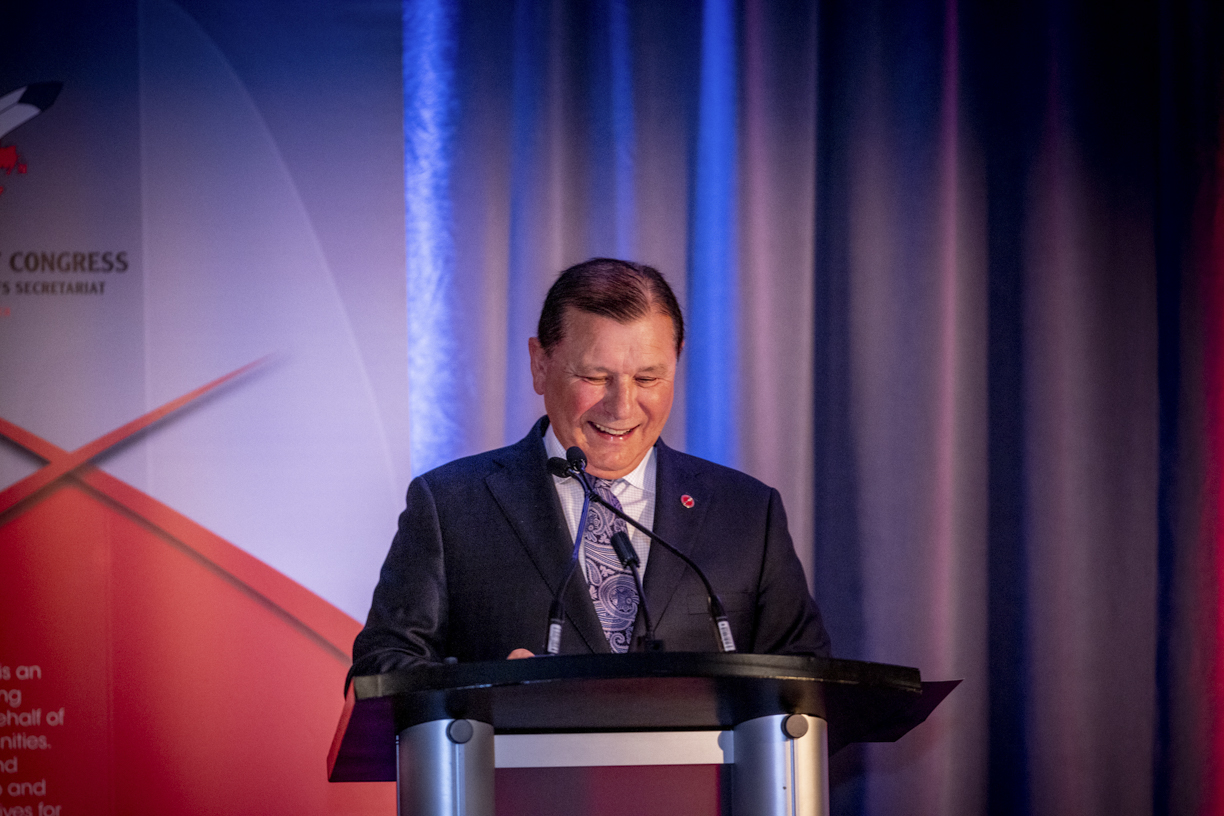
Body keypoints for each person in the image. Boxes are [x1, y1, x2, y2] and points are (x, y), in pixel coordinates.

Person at [349, 258, 830, 681]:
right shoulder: (452, 505)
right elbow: (381, 667)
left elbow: (806, 674)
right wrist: (489, 689)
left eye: (648, 378)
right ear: (540, 364)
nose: (622, 406)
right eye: (595, 377)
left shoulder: (747, 512)